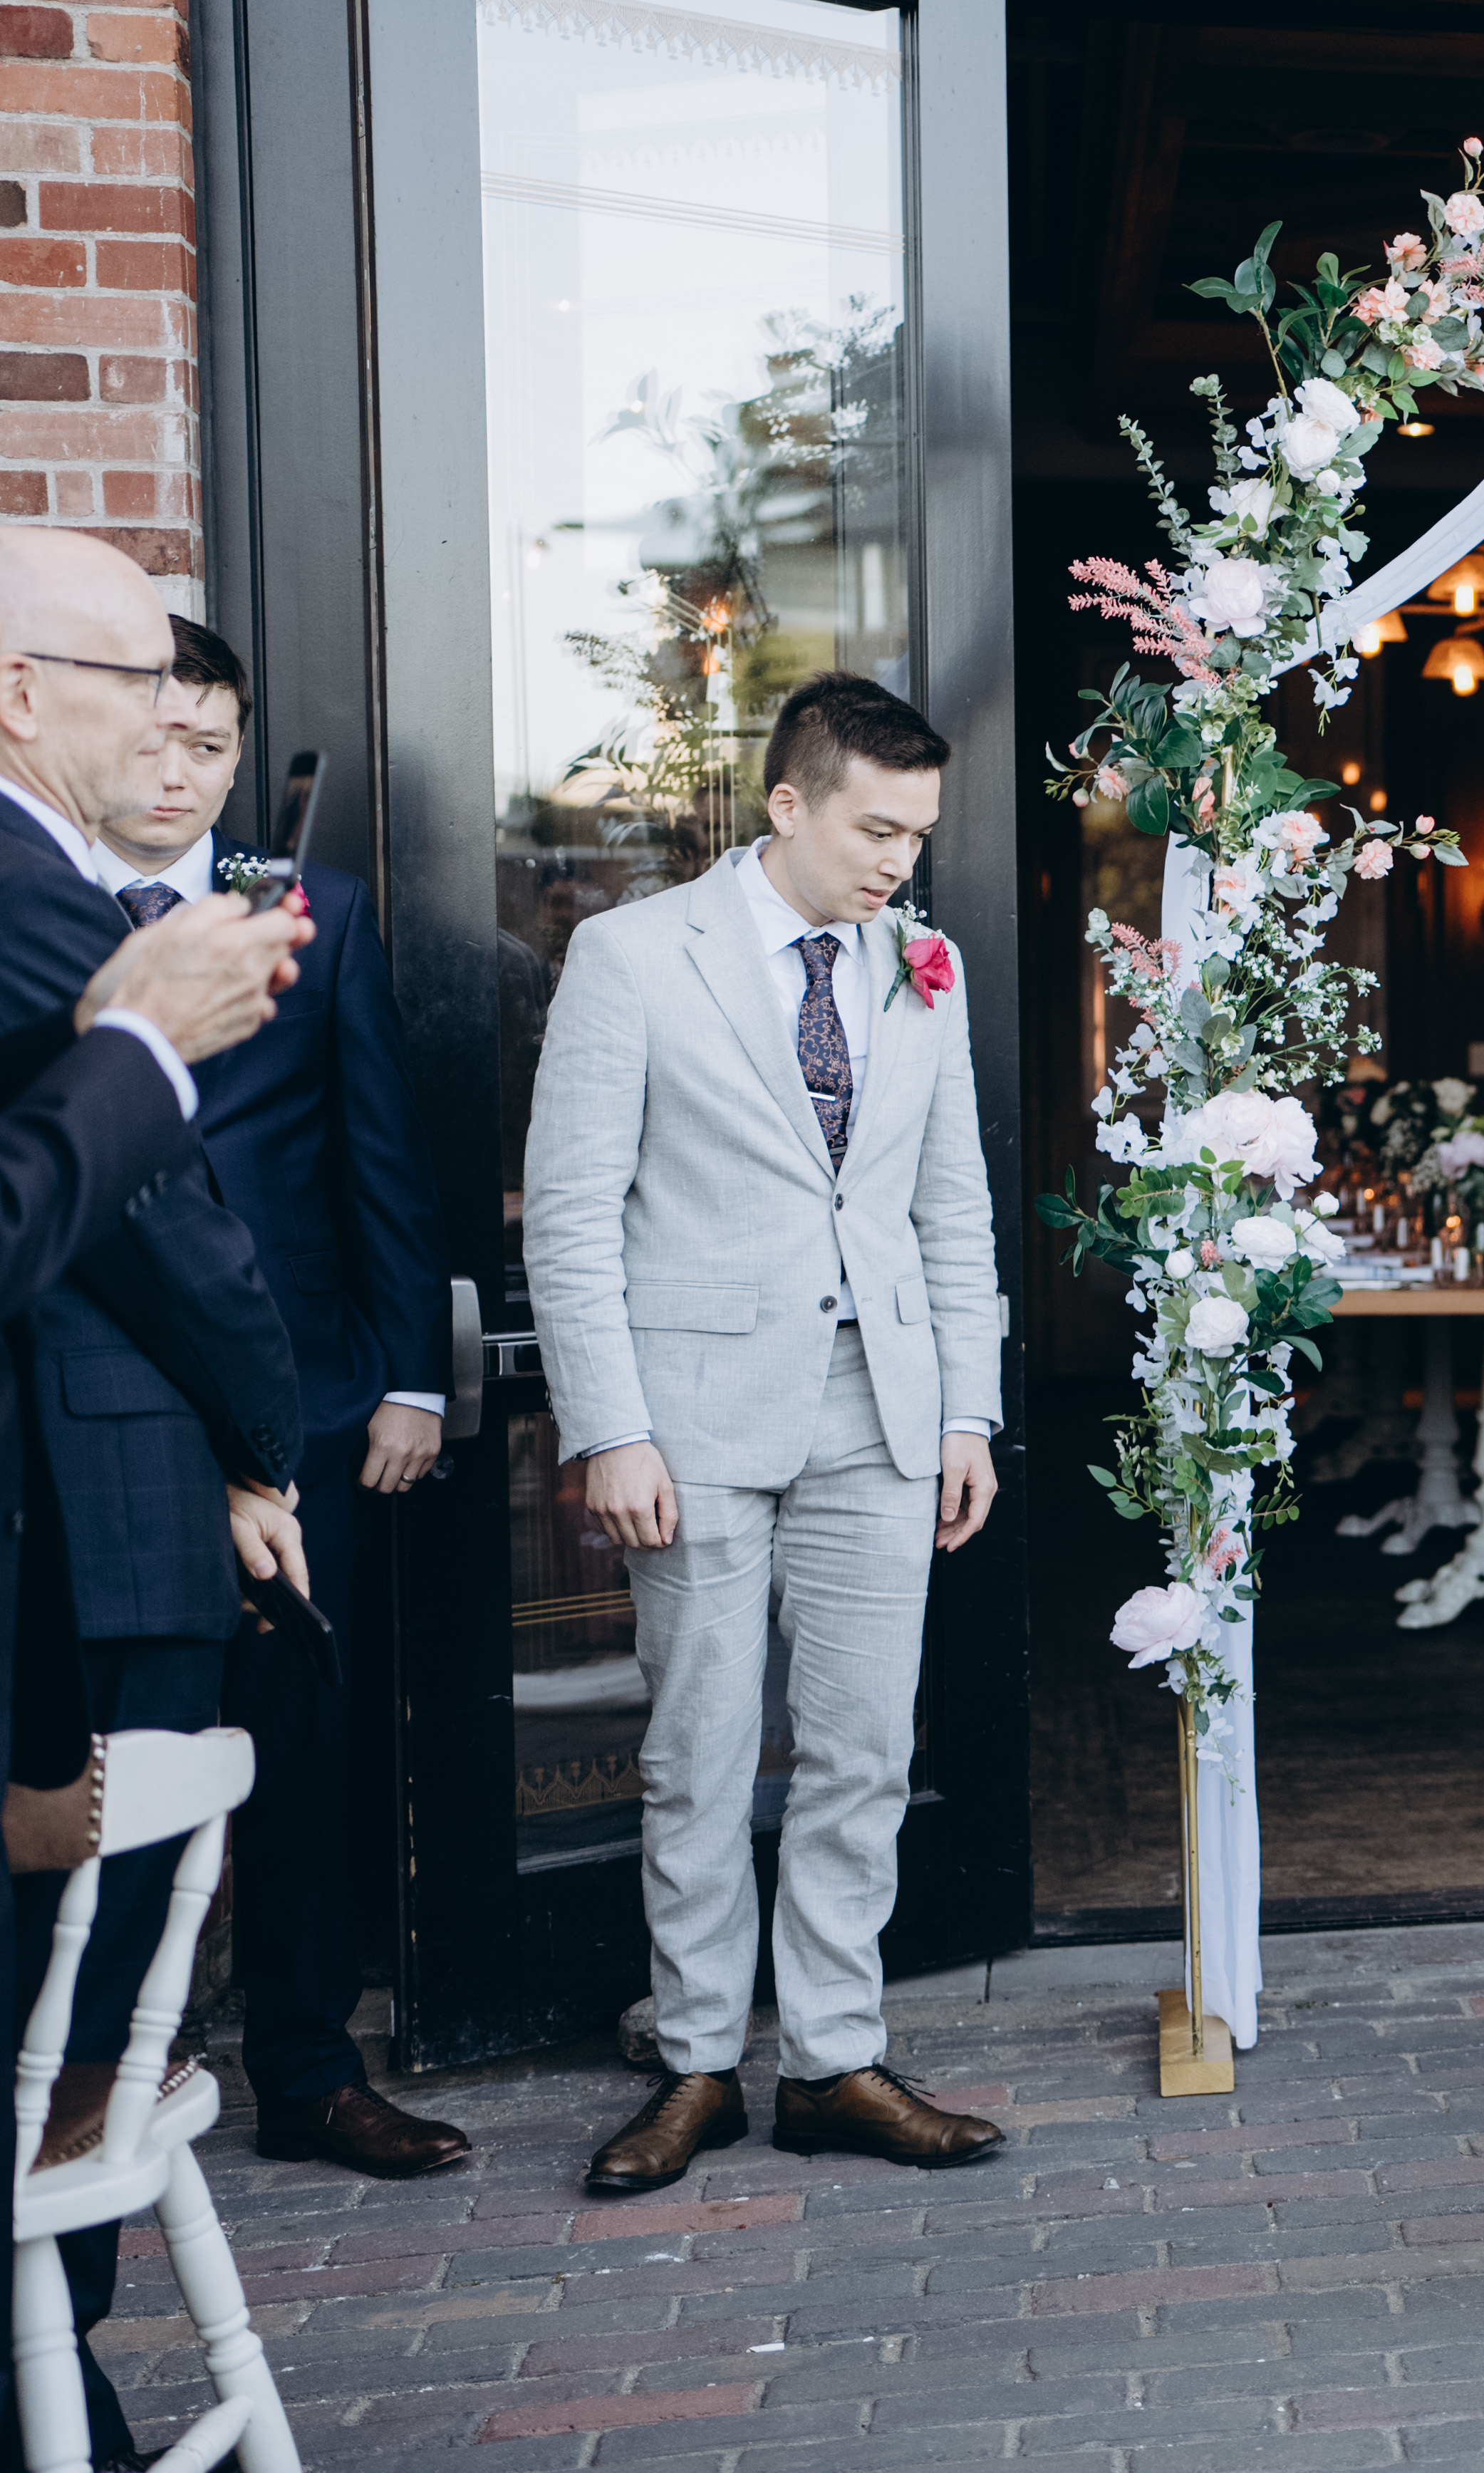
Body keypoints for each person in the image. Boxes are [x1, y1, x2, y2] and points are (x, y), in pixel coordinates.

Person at [523, 671, 1008, 2195]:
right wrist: (610, 1426)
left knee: (865, 1750)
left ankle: (834, 2060)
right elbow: (572, 1215)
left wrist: (969, 1408)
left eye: (918, 837)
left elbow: (951, 1204)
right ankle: (693, 2061)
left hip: (884, 1413)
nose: (900, 865)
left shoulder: (922, 964)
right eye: (876, 831)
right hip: (694, 1421)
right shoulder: (631, 955)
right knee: (699, 1751)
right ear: (787, 804)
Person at [0, 522, 313, 2470]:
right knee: (68, 2026)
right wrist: (261, 1437)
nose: (176, 716)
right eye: (139, 679)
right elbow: (148, 1217)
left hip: (107, 1501)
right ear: (23, 691)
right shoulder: (27, 889)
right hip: (82, 1516)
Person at [90, 617, 469, 2177]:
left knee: (303, 1756)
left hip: (306, 1406)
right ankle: (101, 2079)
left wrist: (409, 1375)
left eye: (213, 745)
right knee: (114, 1759)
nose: (180, 773)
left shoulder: (307, 904)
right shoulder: (38, 903)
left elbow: (381, 1153)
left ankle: (311, 2072)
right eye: (157, 738)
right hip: (102, 1422)